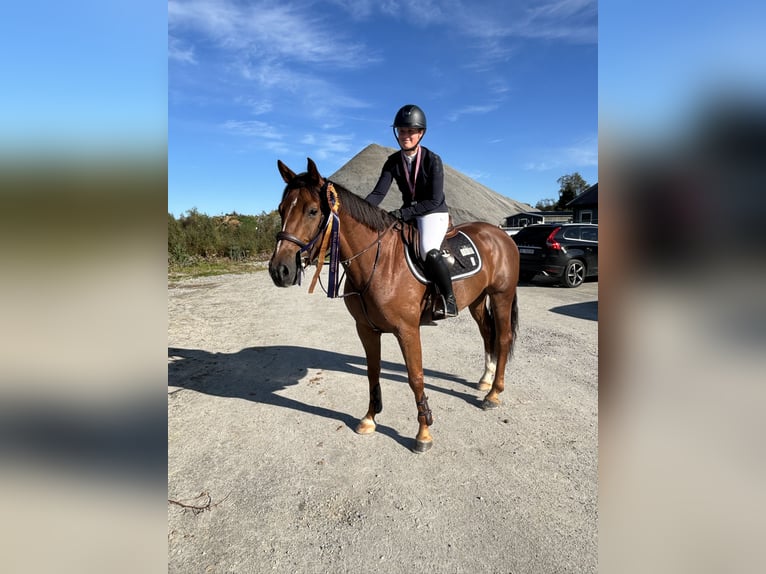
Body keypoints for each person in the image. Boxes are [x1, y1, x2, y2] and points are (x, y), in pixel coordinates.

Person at [365, 104, 458, 318]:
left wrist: (404, 213)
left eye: (410, 131)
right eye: (401, 131)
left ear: (420, 133)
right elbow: (378, 194)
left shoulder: (433, 160)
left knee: (428, 250)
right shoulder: (392, 162)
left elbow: (434, 199)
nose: (405, 136)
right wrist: (356, 208)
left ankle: (449, 297)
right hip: (408, 214)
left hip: (433, 213)